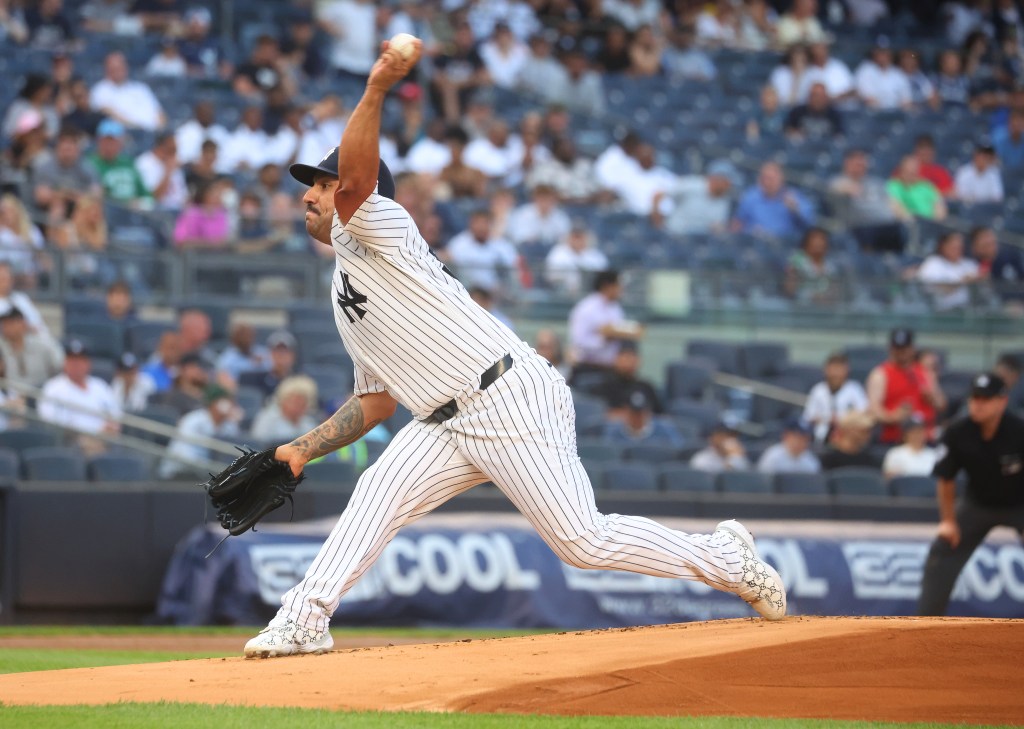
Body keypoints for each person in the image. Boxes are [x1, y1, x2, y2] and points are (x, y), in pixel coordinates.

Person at [242, 40, 785, 657]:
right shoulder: (345, 288)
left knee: (582, 542)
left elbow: (359, 183)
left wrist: (376, 89)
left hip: (506, 397)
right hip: (442, 421)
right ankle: (305, 617)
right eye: (308, 184)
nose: (309, 193)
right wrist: (301, 449)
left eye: (322, 181)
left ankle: (726, 559)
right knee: (376, 493)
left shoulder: (377, 225)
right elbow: (376, 403)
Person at [917, 373, 1024, 616]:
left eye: (986, 399)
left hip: (1020, 503)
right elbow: (946, 478)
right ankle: (924, 625)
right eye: (975, 398)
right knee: (944, 548)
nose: (978, 404)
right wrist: (948, 521)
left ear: (1002, 401)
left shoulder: (1019, 431)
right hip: (979, 504)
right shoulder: (958, 432)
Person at [38, 339, 121, 456]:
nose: (76, 364)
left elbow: (115, 416)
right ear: (65, 363)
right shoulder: (53, 388)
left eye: (80, 360)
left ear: (88, 363)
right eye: (72, 360)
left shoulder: (100, 386)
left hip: (105, 439)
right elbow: (50, 421)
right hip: (72, 442)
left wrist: (109, 429)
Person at [867, 328, 945, 444]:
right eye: (897, 348)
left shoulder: (924, 372)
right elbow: (874, 409)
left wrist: (932, 398)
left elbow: (941, 404)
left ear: (912, 349)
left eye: (904, 348)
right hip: (895, 438)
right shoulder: (880, 374)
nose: (901, 352)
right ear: (890, 349)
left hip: (925, 438)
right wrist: (892, 417)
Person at [567, 270, 643, 376]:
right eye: (617, 285)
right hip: (587, 367)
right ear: (607, 286)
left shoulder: (616, 309)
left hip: (611, 369)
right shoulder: (586, 308)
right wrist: (603, 339)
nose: (621, 289)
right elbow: (578, 341)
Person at [158, 384, 241, 480]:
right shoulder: (193, 419)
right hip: (178, 473)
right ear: (213, 403)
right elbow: (184, 453)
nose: (229, 404)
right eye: (224, 400)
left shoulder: (230, 426)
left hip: (208, 475)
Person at [733, 161, 815, 240]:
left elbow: (808, 225)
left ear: (781, 179)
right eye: (764, 178)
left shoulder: (794, 197)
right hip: (753, 242)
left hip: (784, 245)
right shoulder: (751, 196)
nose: (767, 182)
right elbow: (738, 223)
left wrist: (795, 210)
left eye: (771, 179)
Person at [89, 50, 166, 131]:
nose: (118, 71)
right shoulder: (100, 90)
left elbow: (160, 114)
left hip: (152, 133)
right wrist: (138, 128)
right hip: (127, 134)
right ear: (107, 69)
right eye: (114, 68)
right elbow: (108, 114)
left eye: (120, 66)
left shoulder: (141, 88)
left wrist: (159, 130)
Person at [802, 352, 869, 444]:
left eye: (840, 369)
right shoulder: (818, 390)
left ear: (846, 370)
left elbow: (863, 416)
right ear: (826, 370)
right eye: (833, 369)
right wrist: (828, 419)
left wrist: (841, 420)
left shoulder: (855, 389)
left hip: (847, 440)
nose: (836, 374)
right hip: (820, 438)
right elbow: (808, 417)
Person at [86, 119, 152, 207]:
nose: (109, 145)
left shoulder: (128, 163)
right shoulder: (90, 163)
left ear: (120, 143)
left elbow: (147, 196)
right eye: (106, 141)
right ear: (99, 141)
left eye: (113, 141)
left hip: (134, 212)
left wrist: (140, 203)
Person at [916, 231, 982, 311]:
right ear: (943, 246)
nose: (957, 250)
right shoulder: (932, 263)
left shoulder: (969, 264)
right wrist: (962, 282)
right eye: (953, 247)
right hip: (939, 312)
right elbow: (931, 290)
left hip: (967, 311)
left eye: (959, 247)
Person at [0, 305, 63, 387]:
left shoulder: (42, 345)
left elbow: (59, 369)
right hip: (10, 396)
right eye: (4, 323)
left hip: (40, 394)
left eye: (10, 323)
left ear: (23, 324)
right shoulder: (2, 347)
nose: (6, 327)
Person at [544, 224, 609, 297]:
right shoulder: (558, 252)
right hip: (563, 295)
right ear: (569, 237)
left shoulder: (595, 255)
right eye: (575, 236)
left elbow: (603, 276)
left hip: (590, 294)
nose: (577, 240)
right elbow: (551, 276)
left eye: (580, 237)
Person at [602, 388, 683, 447]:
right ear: (626, 412)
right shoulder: (614, 432)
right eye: (633, 413)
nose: (637, 417)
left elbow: (678, 449)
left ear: (647, 412)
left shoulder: (664, 429)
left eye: (640, 413)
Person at [251, 375, 319, 442]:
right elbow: (258, 444)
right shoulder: (267, 419)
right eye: (295, 401)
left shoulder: (308, 424)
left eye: (303, 403)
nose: (299, 406)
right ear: (283, 400)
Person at [886, 156, 947, 221]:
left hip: (931, 223)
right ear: (902, 170)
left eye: (913, 171)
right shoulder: (894, 185)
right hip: (909, 224)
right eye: (908, 171)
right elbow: (896, 207)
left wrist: (936, 220)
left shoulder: (927, 185)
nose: (911, 173)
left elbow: (939, 205)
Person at [882, 414, 939, 478]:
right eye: (913, 432)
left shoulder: (934, 454)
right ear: (905, 435)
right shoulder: (895, 453)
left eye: (920, 431)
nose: (917, 435)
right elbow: (889, 479)